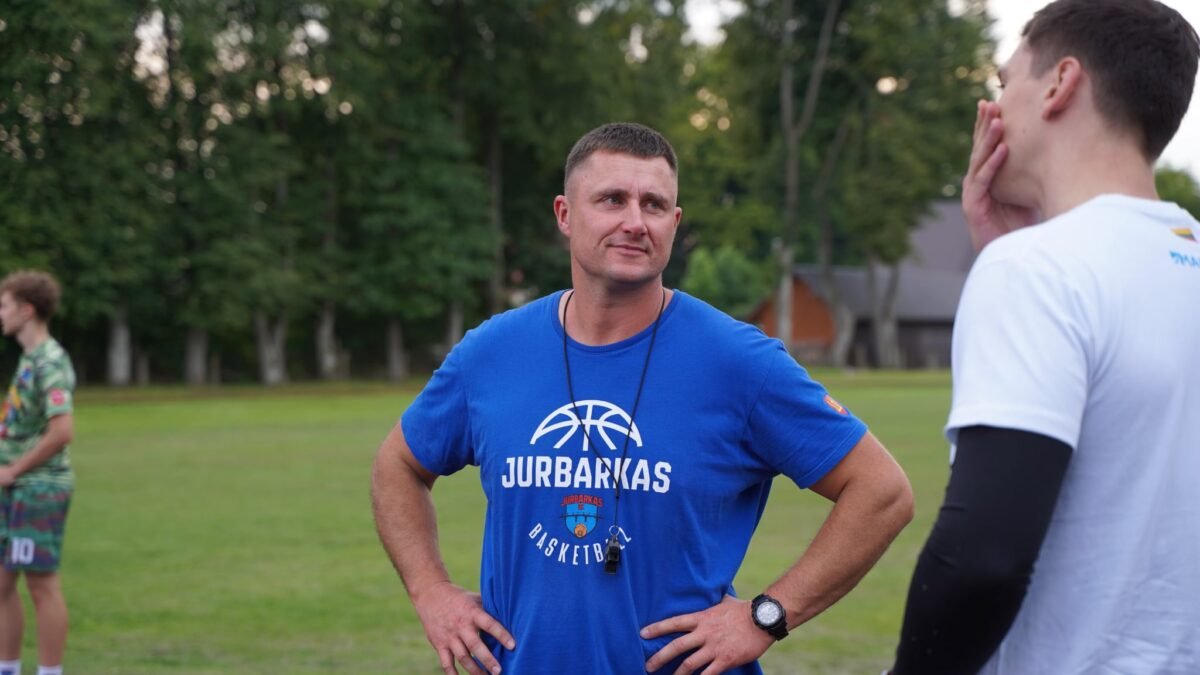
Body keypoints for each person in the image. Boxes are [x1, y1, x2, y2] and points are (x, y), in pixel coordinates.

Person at [372, 122, 913, 675]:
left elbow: (882, 491)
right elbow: (399, 465)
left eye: (653, 204)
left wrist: (765, 616)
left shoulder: (738, 362)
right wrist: (430, 591)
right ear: (565, 214)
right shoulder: (491, 354)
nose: (634, 221)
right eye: (612, 199)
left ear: (673, 224)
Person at [889, 1, 1200, 673]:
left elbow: (983, 557)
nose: (992, 110)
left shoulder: (1037, 271)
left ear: (1060, 84)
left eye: (1005, 83)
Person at [0, 270, 77, 675]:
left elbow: (62, 431)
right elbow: (21, 424)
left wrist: (14, 468)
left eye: (4, 305)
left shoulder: (50, 361)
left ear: (26, 310)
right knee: (1, 584)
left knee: (41, 586)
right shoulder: (29, 360)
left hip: (39, 489)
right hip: (14, 488)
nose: (0, 314)